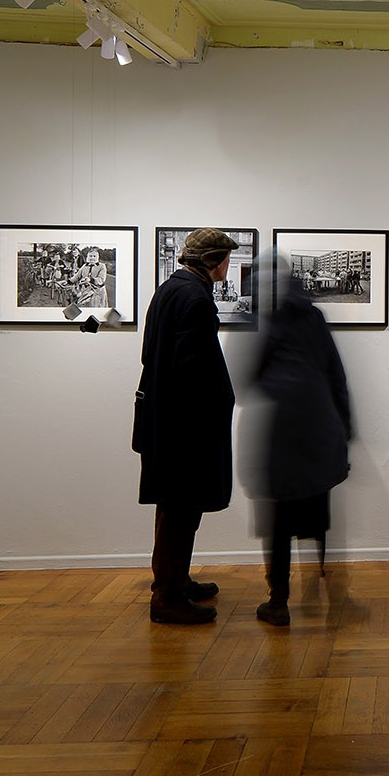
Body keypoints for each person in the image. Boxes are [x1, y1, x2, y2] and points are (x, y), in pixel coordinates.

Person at [133, 227, 239, 625]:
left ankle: (174, 581)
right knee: (180, 508)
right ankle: (167, 598)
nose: (228, 263)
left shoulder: (174, 288)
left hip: (166, 418)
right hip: (184, 426)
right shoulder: (195, 297)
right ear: (215, 259)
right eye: (226, 256)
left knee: (175, 507)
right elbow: (192, 370)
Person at [244, 254, 353, 627]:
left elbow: (248, 380)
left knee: (278, 517)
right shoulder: (313, 317)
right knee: (314, 504)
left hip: (283, 431)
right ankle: (320, 578)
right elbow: (335, 374)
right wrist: (345, 427)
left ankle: (278, 601)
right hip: (318, 427)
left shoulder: (265, 322)